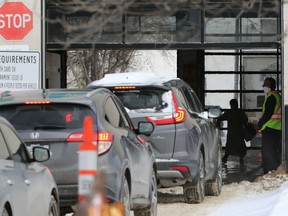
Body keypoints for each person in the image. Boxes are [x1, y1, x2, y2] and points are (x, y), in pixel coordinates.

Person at [257, 77, 281, 174]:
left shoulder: (271, 97)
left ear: (271, 86)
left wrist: (259, 124)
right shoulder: (277, 96)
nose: (264, 86)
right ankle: (275, 171)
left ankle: (271, 173)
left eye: (266, 85)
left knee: (268, 153)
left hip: (270, 129)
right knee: (273, 152)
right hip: (277, 128)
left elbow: (268, 114)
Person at [217, 99, 248, 165]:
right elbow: (245, 121)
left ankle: (225, 158)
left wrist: (218, 126)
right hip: (239, 133)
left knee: (229, 146)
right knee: (240, 146)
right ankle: (241, 159)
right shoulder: (240, 112)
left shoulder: (229, 112)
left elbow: (220, 118)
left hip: (231, 133)